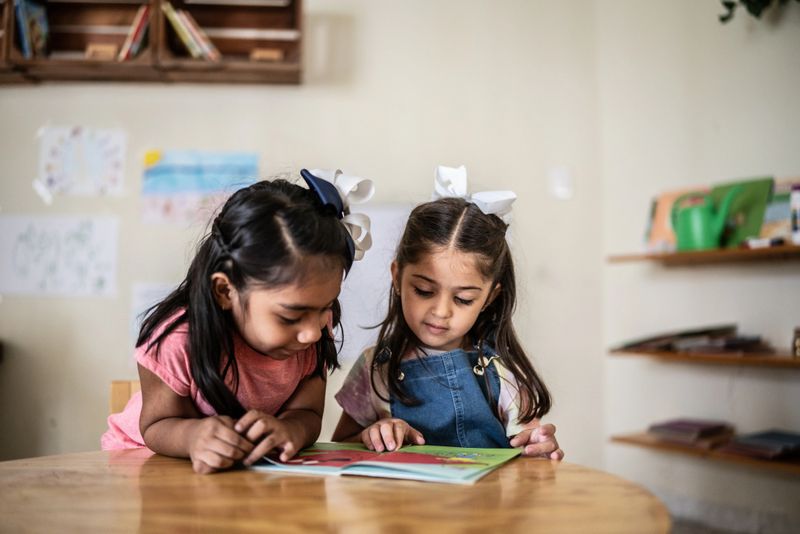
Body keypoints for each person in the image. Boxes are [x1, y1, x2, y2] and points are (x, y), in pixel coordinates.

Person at [102, 170, 374, 474]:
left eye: (326, 307)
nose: (311, 332)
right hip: (145, 465)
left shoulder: (309, 336)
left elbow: (307, 413)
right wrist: (194, 437)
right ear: (225, 291)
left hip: (236, 472)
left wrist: (290, 430)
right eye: (291, 316)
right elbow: (155, 426)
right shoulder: (178, 339)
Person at [332, 166, 563, 459]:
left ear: (490, 298)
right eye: (424, 291)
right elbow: (339, 449)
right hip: (402, 504)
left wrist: (540, 446)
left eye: (464, 299)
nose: (441, 312)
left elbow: (530, 451)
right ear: (398, 277)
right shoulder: (374, 367)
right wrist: (373, 434)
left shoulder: (504, 371)